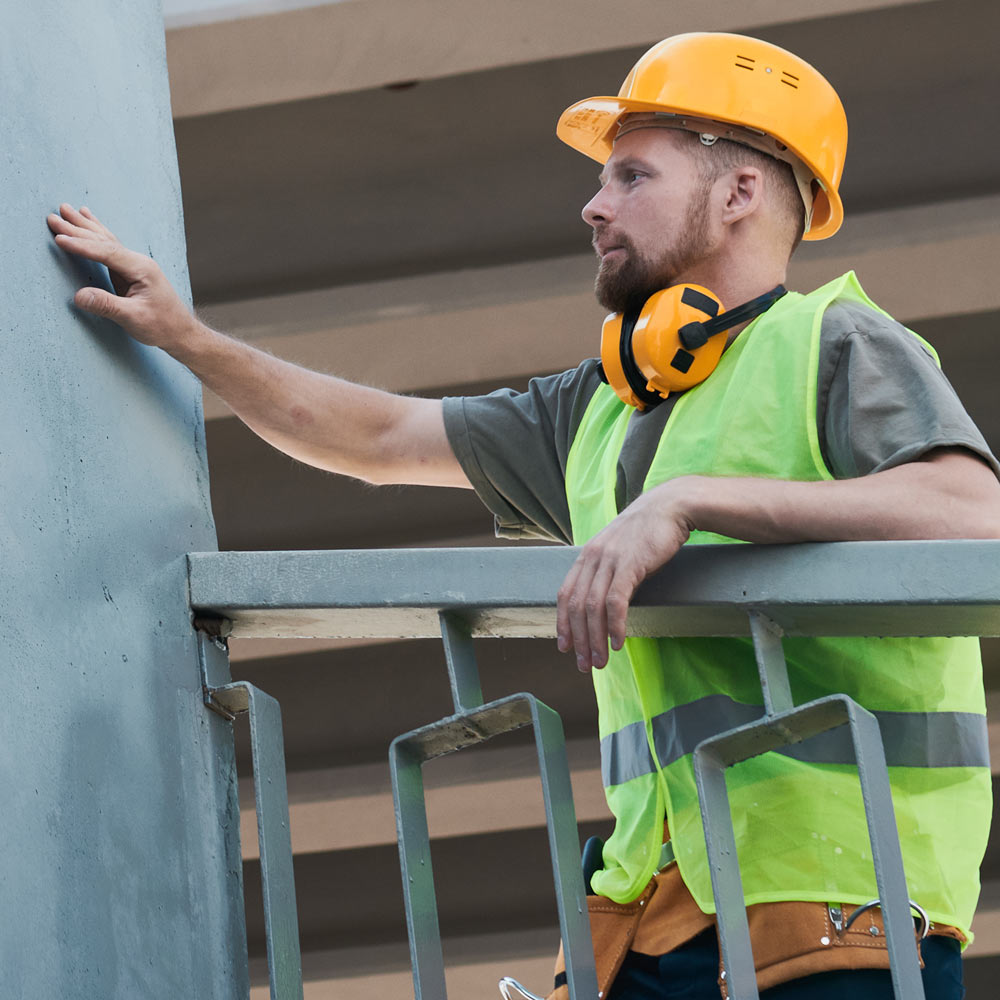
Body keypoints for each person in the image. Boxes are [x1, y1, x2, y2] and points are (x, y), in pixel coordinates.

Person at [48, 30, 998, 1000]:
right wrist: (185, 337)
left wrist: (690, 502)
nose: (594, 204)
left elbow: (974, 514)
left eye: (632, 175)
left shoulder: (833, 343)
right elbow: (376, 439)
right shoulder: (600, 408)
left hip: (844, 908)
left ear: (740, 192)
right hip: (648, 915)